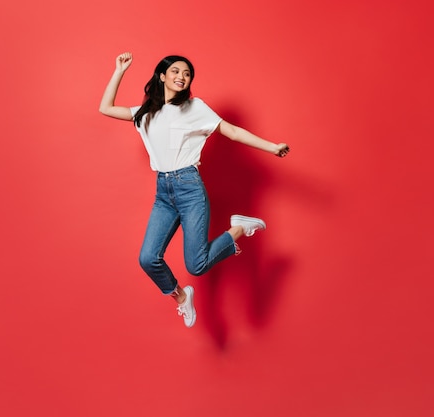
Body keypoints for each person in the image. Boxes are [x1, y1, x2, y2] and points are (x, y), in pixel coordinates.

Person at [99, 52, 290, 328]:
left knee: (196, 265)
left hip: (189, 189)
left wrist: (272, 147)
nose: (181, 77)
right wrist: (119, 70)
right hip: (163, 192)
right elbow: (106, 107)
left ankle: (237, 228)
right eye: (176, 71)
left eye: (187, 74)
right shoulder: (146, 113)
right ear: (162, 76)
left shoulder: (194, 108)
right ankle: (180, 296)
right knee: (148, 258)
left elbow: (232, 131)